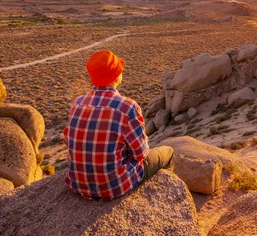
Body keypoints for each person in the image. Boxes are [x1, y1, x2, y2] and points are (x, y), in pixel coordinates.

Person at [63, 49, 174, 200]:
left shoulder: (78, 103)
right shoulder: (127, 107)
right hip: (113, 186)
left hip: (76, 183)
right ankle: (167, 199)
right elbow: (141, 153)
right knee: (167, 153)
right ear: (117, 76)